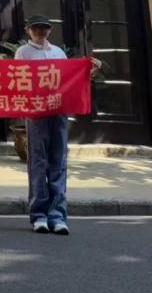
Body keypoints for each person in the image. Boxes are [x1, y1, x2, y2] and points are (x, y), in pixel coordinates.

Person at [15, 15, 100, 236]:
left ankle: (58, 216)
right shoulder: (23, 52)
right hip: (36, 113)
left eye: (44, 28)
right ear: (28, 31)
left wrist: (88, 71)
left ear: (50, 31)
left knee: (58, 161)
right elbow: (17, 79)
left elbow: (69, 80)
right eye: (35, 28)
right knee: (38, 162)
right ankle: (39, 215)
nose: (40, 31)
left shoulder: (58, 53)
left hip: (58, 111)